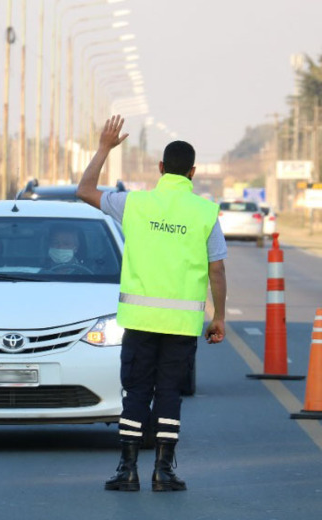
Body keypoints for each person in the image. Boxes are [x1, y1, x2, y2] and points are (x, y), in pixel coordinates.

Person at [76, 115, 227, 492]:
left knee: (136, 392)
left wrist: (105, 148)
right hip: (180, 327)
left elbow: (85, 189)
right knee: (170, 394)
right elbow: (217, 271)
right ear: (192, 172)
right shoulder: (204, 213)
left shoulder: (135, 204)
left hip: (140, 321)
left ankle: (127, 470)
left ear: (161, 168)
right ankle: (164, 470)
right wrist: (218, 317)